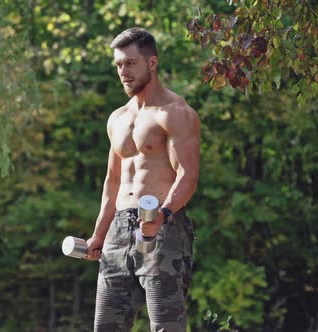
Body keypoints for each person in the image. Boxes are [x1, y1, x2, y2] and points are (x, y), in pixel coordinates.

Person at [84, 27, 200, 332]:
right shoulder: (117, 118)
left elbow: (187, 176)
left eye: (131, 63)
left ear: (152, 63)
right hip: (118, 230)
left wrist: (162, 216)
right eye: (119, 65)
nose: (123, 72)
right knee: (107, 327)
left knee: (165, 327)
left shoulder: (175, 113)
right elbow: (112, 181)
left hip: (162, 225)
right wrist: (99, 234)